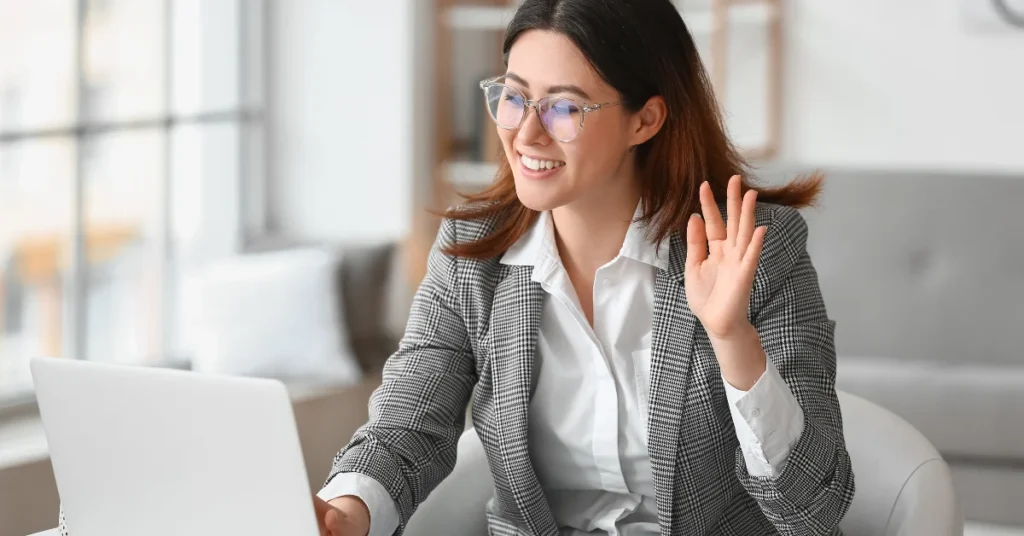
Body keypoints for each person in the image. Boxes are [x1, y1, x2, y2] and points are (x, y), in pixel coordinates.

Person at [60, 0, 854, 535]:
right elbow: (409, 425)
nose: (525, 133)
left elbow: (815, 511)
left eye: (564, 106)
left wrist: (732, 339)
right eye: (513, 95)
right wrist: (346, 512)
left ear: (646, 118)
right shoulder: (475, 255)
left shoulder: (757, 248)